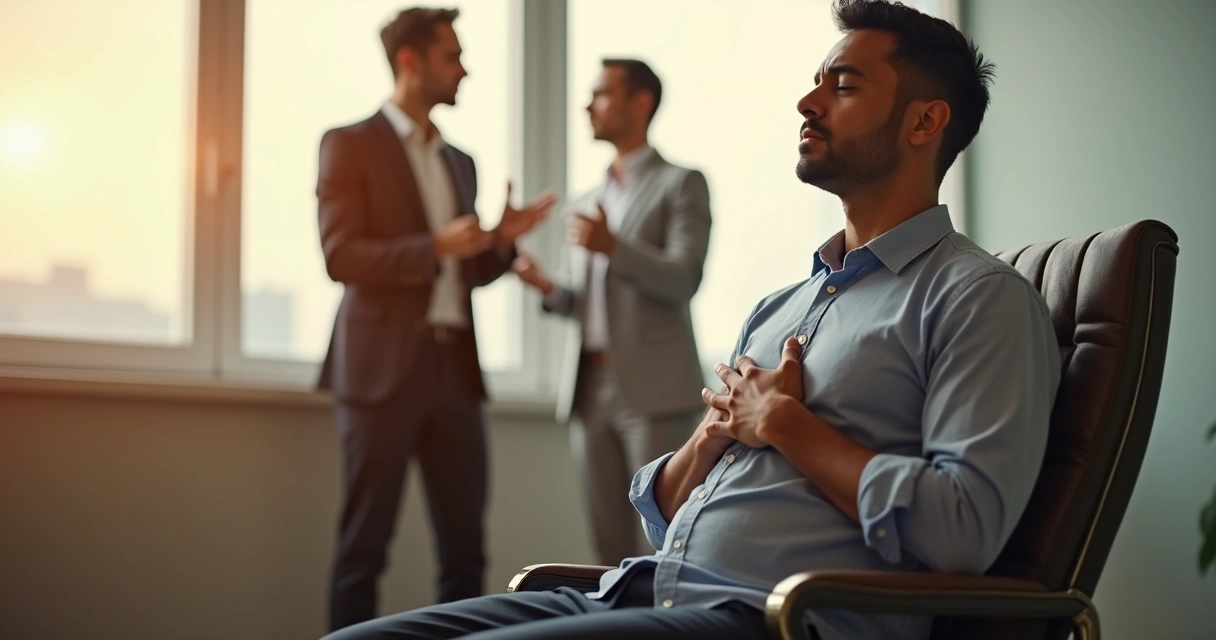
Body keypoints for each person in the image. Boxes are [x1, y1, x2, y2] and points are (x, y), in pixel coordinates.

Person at [322, 1, 1060, 639]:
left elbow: (962, 529)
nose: (807, 102)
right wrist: (712, 433)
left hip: (764, 616)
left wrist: (784, 423)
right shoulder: (783, 308)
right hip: (639, 588)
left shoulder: (976, 297)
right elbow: (668, 514)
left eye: (843, 85)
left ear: (927, 121)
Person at [315, 6, 555, 633]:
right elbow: (341, 256)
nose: (465, 70)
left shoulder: (460, 162)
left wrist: (498, 242)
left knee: (465, 552)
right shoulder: (348, 144)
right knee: (363, 549)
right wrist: (438, 246)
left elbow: (466, 275)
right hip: (379, 372)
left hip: (453, 369)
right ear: (409, 61)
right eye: (453, 56)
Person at [512, 58, 712, 566]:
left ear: (640, 102)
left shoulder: (681, 184)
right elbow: (587, 305)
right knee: (606, 548)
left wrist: (613, 246)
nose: (588, 105)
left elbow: (683, 277)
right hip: (588, 390)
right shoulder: (589, 199)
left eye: (601, 94)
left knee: (666, 540)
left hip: (654, 393)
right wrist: (549, 289)